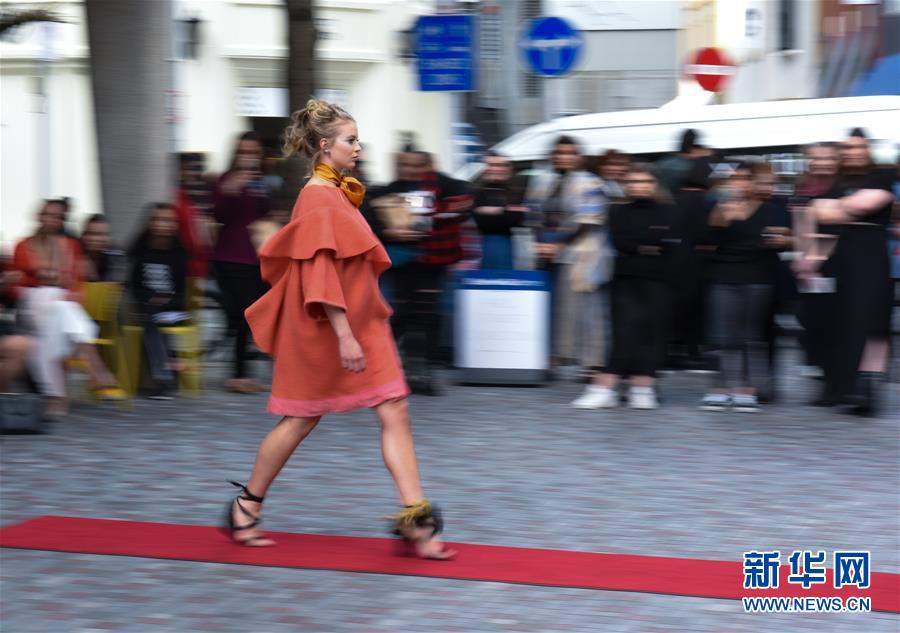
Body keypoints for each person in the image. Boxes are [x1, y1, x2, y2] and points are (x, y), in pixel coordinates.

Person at [227, 99, 454, 560]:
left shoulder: (337, 191)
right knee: (301, 418)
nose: (359, 148)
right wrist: (345, 335)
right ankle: (246, 504)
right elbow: (319, 272)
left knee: (395, 409)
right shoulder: (319, 195)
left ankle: (416, 520)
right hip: (327, 326)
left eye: (358, 139)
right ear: (325, 145)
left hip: (363, 320)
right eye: (351, 140)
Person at [571, 165, 678, 410]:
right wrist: (649, 245)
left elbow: (671, 243)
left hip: (659, 279)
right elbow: (622, 242)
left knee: (651, 333)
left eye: (645, 181)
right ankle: (605, 387)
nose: (639, 186)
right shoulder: (617, 211)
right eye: (634, 181)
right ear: (626, 185)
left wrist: (644, 245)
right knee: (624, 331)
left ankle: (642, 387)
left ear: (655, 184)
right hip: (625, 278)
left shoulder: (670, 211)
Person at [808, 129, 895, 415]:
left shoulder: (881, 176)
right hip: (839, 258)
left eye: (858, 148)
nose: (853, 153)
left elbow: (862, 205)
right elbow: (821, 217)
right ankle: (839, 388)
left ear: (867, 151)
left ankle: (866, 389)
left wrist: (834, 208)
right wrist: (812, 261)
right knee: (838, 322)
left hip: (870, 259)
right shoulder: (839, 181)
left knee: (870, 321)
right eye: (848, 148)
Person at [11, 200, 125, 417]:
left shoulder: (70, 246)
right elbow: (16, 286)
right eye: (48, 215)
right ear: (39, 216)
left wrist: (70, 293)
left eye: (57, 217)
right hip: (31, 305)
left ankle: (56, 397)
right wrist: (40, 280)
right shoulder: (23, 245)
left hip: (58, 309)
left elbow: (77, 284)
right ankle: (95, 363)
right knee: (53, 300)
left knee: (56, 317)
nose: (52, 220)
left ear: (62, 221)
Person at [697, 163, 784, 413]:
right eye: (735, 179)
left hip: (758, 275)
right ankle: (722, 386)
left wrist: (775, 239)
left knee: (751, 335)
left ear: (754, 181)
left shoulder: (770, 209)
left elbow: (772, 240)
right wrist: (723, 211)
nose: (740, 183)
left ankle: (747, 388)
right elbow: (707, 240)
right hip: (724, 274)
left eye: (745, 178)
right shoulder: (719, 206)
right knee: (724, 335)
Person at [524, 136, 608, 370]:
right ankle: (552, 357)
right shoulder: (541, 181)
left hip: (580, 254)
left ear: (579, 157)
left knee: (585, 310)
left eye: (570, 153)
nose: (564, 157)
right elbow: (532, 216)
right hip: (546, 253)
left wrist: (559, 244)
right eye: (559, 153)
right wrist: (542, 243)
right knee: (549, 308)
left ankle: (592, 364)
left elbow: (589, 221)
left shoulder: (591, 183)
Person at [211, 132, 270, 394]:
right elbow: (218, 214)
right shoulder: (226, 179)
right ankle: (238, 375)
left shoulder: (261, 182)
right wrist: (230, 190)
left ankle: (243, 372)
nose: (248, 157)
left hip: (256, 257)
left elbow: (265, 214)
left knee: (253, 315)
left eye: (253, 152)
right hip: (231, 257)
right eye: (243, 151)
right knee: (245, 315)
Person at [128, 203, 190, 400]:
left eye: (170, 220)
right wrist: (148, 298)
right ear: (151, 223)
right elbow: (134, 286)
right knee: (150, 317)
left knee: (154, 320)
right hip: (148, 307)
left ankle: (164, 379)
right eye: (160, 220)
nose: (165, 225)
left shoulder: (179, 254)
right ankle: (167, 370)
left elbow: (183, 291)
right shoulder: (141, 253)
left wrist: (167, 300)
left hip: (174, 308)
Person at [471, 152, 527, 269]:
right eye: (491, 165)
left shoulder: (517, 191)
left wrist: (487, 210)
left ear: (509, 168)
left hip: (509, 248)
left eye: (500, 165)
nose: (495, 169)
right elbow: (481, 221)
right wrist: (504, 210)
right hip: (480, 248)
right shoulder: (475, 191)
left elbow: (515, 219)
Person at [80, 214, 126, 283]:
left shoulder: (117, 255)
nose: (95, 239)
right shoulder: (76, 254)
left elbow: (115, 283)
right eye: (90, 234)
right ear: (83, 236)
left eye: (101, 234)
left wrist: (93, 275)